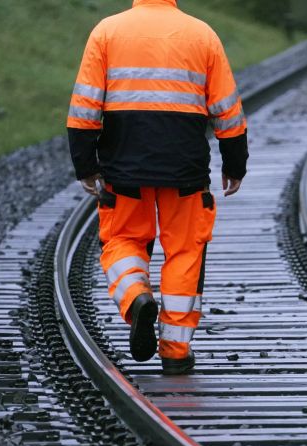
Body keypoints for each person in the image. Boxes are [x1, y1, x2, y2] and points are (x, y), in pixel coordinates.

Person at [66, 0, 248, 375]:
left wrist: (86, 164)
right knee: (185, 252)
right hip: (185, 170)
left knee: (121, 240)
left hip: (124, 168)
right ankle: (175, 352)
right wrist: (234, 163)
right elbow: (227, 110)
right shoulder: (203, 34)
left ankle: (135, 300)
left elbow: (85, 105)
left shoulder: (107, 31)